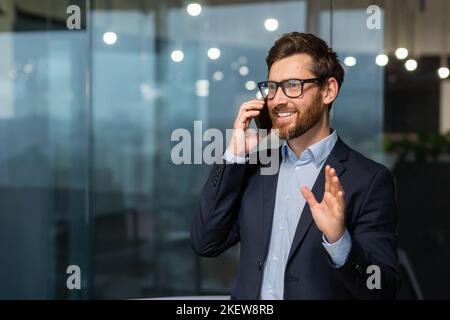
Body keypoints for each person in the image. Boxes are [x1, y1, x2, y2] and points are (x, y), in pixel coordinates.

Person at [191, 32, 399, 299]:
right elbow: (205, 242)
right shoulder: (255, 169)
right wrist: (234, 154)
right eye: (272, 87)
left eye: (293, 85)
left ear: (328, 90)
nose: (277, 100)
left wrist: (339, 241)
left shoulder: (369, 180)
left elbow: (383, 289)